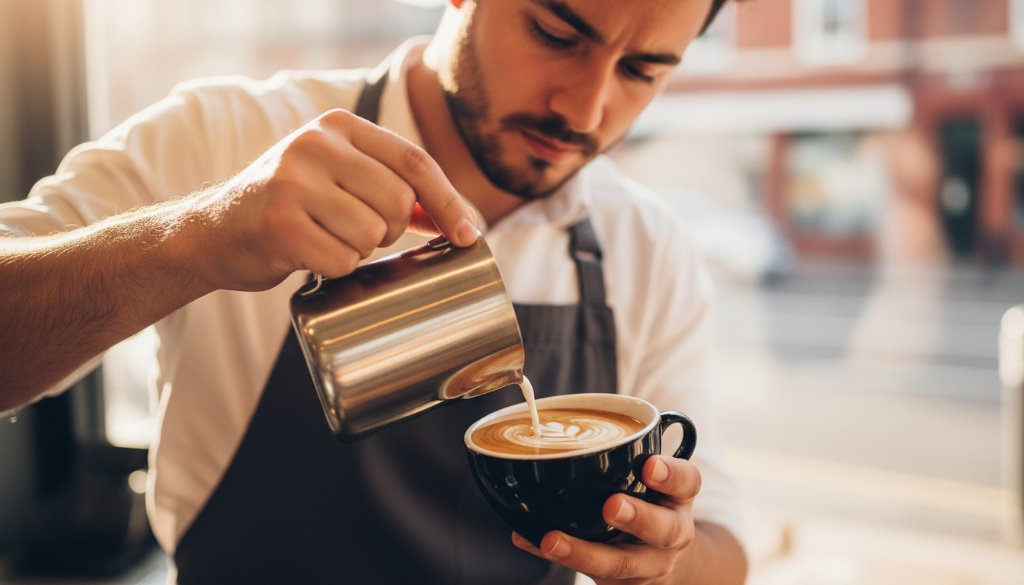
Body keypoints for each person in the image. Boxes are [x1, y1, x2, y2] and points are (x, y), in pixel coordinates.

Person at [0, 0, 748, 583]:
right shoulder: (220, 139)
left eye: (642, 71)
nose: (583, 112)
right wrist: (196, 238)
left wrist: (666, 561)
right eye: (557, 33)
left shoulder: (646, 247)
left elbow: (721, 541)